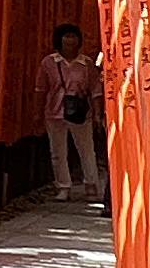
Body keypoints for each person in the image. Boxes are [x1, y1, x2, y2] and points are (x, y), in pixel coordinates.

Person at [36, 23, 107, 200]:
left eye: (73, 36)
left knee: (86, 150)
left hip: (81, 113)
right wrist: (38, 113)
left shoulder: (86, 63)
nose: (70, 40)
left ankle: (91, 185)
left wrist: (98, 113)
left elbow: (95, 90)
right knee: (58, 152)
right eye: (66, 36)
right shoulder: (49, 63)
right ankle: (63, 187)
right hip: (55, 111)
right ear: (59, 39)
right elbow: (41, 89)